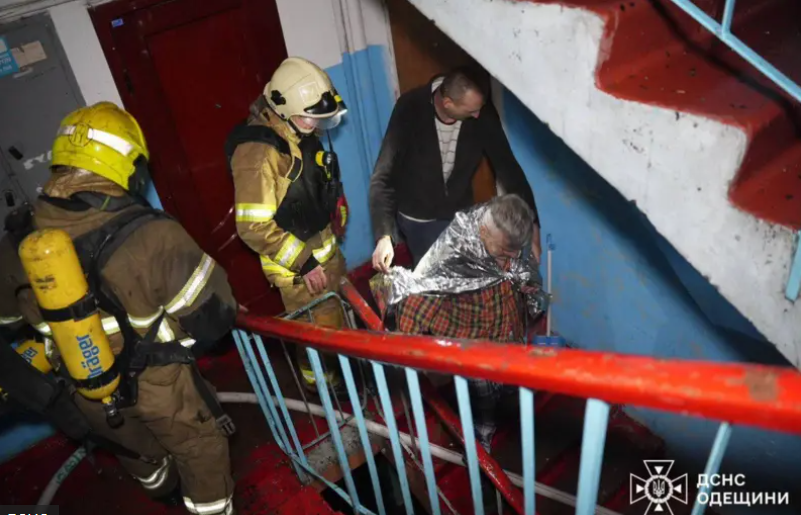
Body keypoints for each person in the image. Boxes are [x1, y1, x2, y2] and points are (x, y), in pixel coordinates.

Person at [12, 102, 238, 515]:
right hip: (159, 383)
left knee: (134, 449)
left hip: (85, 385)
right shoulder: (154, 236)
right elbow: (215, 318)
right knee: (200, 448)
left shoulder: (20, 240)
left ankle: (163, 491)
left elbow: (8, 321)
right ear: (126, 165)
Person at [373, 194, 548, 452]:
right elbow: (421, 296)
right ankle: (482, 436)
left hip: (507, 327)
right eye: (502, 253)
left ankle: (507, 390)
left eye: (512, 253)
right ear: (484, 232)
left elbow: (520, 269)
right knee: (483, 396)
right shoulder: (453, 255)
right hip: (473, 342)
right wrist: (406, 342)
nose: (507, 263)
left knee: (511, 373)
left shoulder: (508, 240)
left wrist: (528, 288)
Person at [227, 57, 349, 392]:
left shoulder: (298, 127)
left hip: (324, 253)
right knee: (315, 335)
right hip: (300, 270)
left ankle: (339, 369)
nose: (316, 123)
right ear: (284, 107)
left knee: (334, 321)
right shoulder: (258, 154)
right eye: (310, 117)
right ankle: (323, 386)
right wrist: (305, 262)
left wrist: (335, 202)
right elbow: (252, 227)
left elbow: (309, 181)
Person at [370, 68, 541, 271]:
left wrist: (532, 225)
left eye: (479, 108)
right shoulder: (410, 108)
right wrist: (384, 236)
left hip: (459, 215)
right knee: (433, 280)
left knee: (466, 276)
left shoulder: (481, 112)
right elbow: (383, 176)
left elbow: (509, 169)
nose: (478, 115)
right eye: (471, 111)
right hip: (418, 219)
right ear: (448, 103)